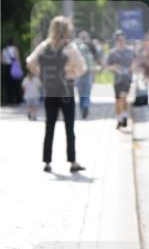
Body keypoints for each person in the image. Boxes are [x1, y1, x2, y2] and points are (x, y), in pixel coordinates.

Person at [27, 16, 87, 173]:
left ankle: (47, 161)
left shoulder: (44, 46)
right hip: (66, 88)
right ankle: (72, 162)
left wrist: (42, 74)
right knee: (69, 126)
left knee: (50, 126)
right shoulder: (70, 48)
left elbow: (30, 62)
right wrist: (71, 73)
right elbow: (82, 68)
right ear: (67, 30)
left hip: (50, 89)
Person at [105, 31, 136, 129]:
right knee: (118, 99)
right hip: (117, 79)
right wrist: (114, 67)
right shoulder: (112, 53)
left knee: (124, 97)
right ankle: (119, 119)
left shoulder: (130, 51)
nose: (120, 41)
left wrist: (132, 67)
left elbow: (136, 62)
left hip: (127, 78)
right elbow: (108, 66)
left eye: (122, 39)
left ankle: (125, 116)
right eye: (118, 39)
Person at [74, 31, 100, 120]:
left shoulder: (76, 45)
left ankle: (82, 108)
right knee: (87, 91)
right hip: (88, 70)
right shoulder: (90, 44)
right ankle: (86, 106)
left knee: (80, 91)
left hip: (78, 71)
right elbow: (96, 57)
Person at [2, 37, 24, 105]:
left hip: (6, 68)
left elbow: (2, 60)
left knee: (8, 85)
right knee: (16, 84)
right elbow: (17, 59)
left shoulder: (4, 50)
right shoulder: (15, 49)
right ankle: (18, 100)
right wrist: (19, 67)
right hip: (14, 67)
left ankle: (9, 101)